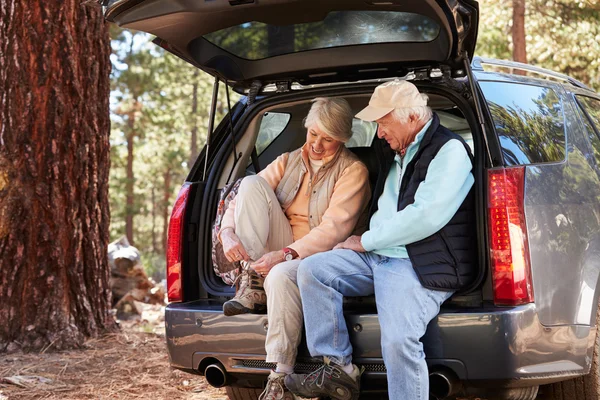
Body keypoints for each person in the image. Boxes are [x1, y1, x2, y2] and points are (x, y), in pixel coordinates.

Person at [284, 80, 477, 400]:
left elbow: (426, 216)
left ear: (412, 118)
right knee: (313, 270)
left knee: (399, 340)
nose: (379, 132)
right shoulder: (393, 150)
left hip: (417, 260)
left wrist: (367, 240)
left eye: (384, 123)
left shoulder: (449, 150)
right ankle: (337, 369)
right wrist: (364, 240)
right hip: (376, 253)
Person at [217, 97, 372, 400]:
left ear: (341, 139)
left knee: (280, 275)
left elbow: (333, 230)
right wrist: (227, 232)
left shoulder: (353, 171)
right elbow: (239, 200)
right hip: (280, 245)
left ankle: (279, 374)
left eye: (327, 139)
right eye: (313, 133)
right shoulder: (288, 160)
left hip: (321, 255)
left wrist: (285, 254)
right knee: (249, 185)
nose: (316, 144)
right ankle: (252, 280)